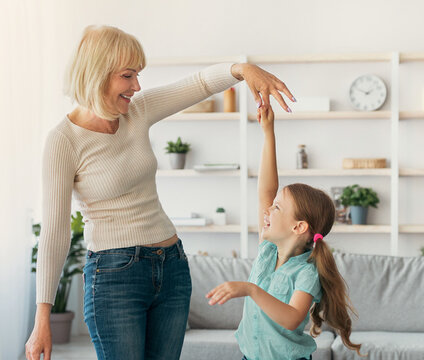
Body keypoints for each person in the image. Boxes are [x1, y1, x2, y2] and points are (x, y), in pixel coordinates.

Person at [25, 25, 296, 360]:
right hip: (114, 277)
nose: (137, 86)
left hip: (172, 268)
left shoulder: (136, 112)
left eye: (138, 75)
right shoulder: (63, 140)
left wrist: (242, 69)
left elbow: (196, 84)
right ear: (96, 74)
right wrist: (42, 317)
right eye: (128, 76)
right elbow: (54, 231)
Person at [206, 105, 364, 359]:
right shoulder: (268, 250)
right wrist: (268, 133)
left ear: (298, 227)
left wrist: (250, 289)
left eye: (277, 208)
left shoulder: (307, 271)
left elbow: (291, 318)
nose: (268, 210)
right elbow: (265, 192)